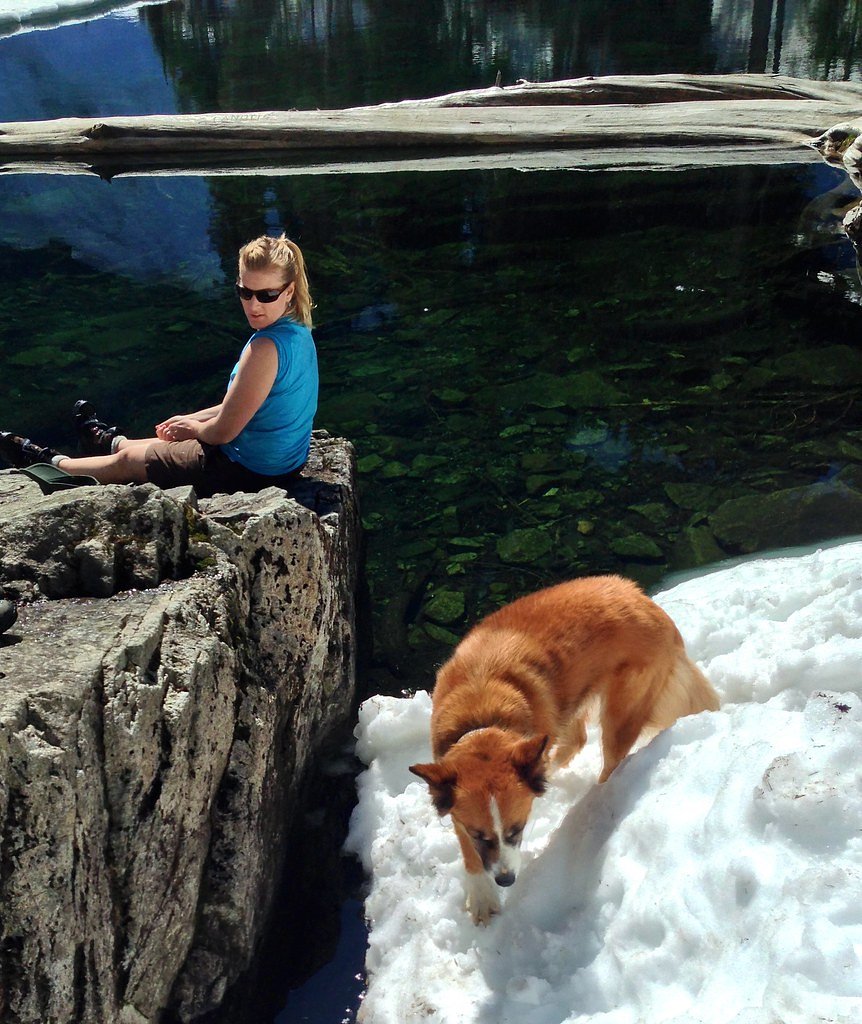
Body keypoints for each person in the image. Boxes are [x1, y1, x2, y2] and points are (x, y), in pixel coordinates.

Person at [0, 234, 318, 499]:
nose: (253, 305)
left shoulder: (264, 348)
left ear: (288, 291)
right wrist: (191, 419)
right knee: (165, 440)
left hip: (247, 471)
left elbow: (223, 432)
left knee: (130, 461)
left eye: (266, 295)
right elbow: (245, 403)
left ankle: (53, 465)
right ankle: (109, 442)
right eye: (244, 292)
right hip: (281, 463)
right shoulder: (298, 331)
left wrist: (193, 429)